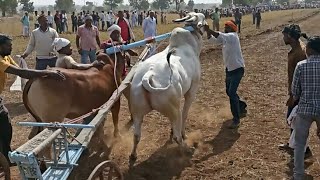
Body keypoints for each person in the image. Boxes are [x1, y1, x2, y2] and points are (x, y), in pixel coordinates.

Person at [0, 34, 65, 164]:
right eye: (9, 45)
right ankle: (4, 158)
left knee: (4, 125)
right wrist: (47, 72)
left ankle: (4, 157)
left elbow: (21, 69)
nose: (11, 47)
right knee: (4, 124)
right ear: (0, 47)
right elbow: (21, 73)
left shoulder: (5, 57)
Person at [204, 21, 247, 128]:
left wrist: (208, 29)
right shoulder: (226, 39)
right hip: (229, 69)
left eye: (227, 27)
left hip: (237, 69)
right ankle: (241, 105)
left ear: (232, 28)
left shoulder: (232, 37)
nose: (225, 28)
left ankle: (236, 119)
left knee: (231, 93)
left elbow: (219, 35)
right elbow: (212, 40)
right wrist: (208, 33)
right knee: (229, 92)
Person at [278, 24, 312, 158]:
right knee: (292, 120)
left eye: (285, 35)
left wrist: (295, 96)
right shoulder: (297, 48)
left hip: (299, 93)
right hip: (295, 92)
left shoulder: (300, 53)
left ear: (291, 37)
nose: (283, 37)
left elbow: (303, 77)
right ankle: (294, 145)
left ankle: (304, 150)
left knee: (295, 120)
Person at [291, 36, 320, 180]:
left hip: (305, 110)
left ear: (309, 49)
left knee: (300, 144)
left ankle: (298, 175)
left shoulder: (301, 65)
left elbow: (295, 92)